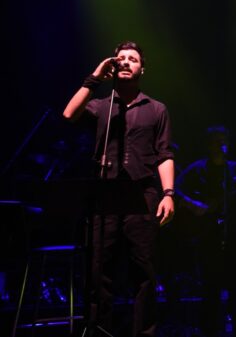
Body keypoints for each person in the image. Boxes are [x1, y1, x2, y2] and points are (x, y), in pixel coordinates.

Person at [63, 41, 175, 337]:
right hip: (104, 197)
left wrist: (168, 194)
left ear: (142, 69)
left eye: (133, 59)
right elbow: (68, 114)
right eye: (121, 58)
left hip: (142, 195)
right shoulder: (101, 106)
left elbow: (165, 154)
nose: (126, 62)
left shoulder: (156, 108)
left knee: (144, 273)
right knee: (99, 272)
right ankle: (100, 330)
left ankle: (145, 333)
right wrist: (95, 77)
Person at [175, 125, 236, 337]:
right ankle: (209, 330)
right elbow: (175, 191)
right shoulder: (197, 169)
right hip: (206, 236)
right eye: (216, 140)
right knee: (210, 288)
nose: (221, 144)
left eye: (224, 139)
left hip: (233, 236)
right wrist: (192, 205)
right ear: (209, 144)